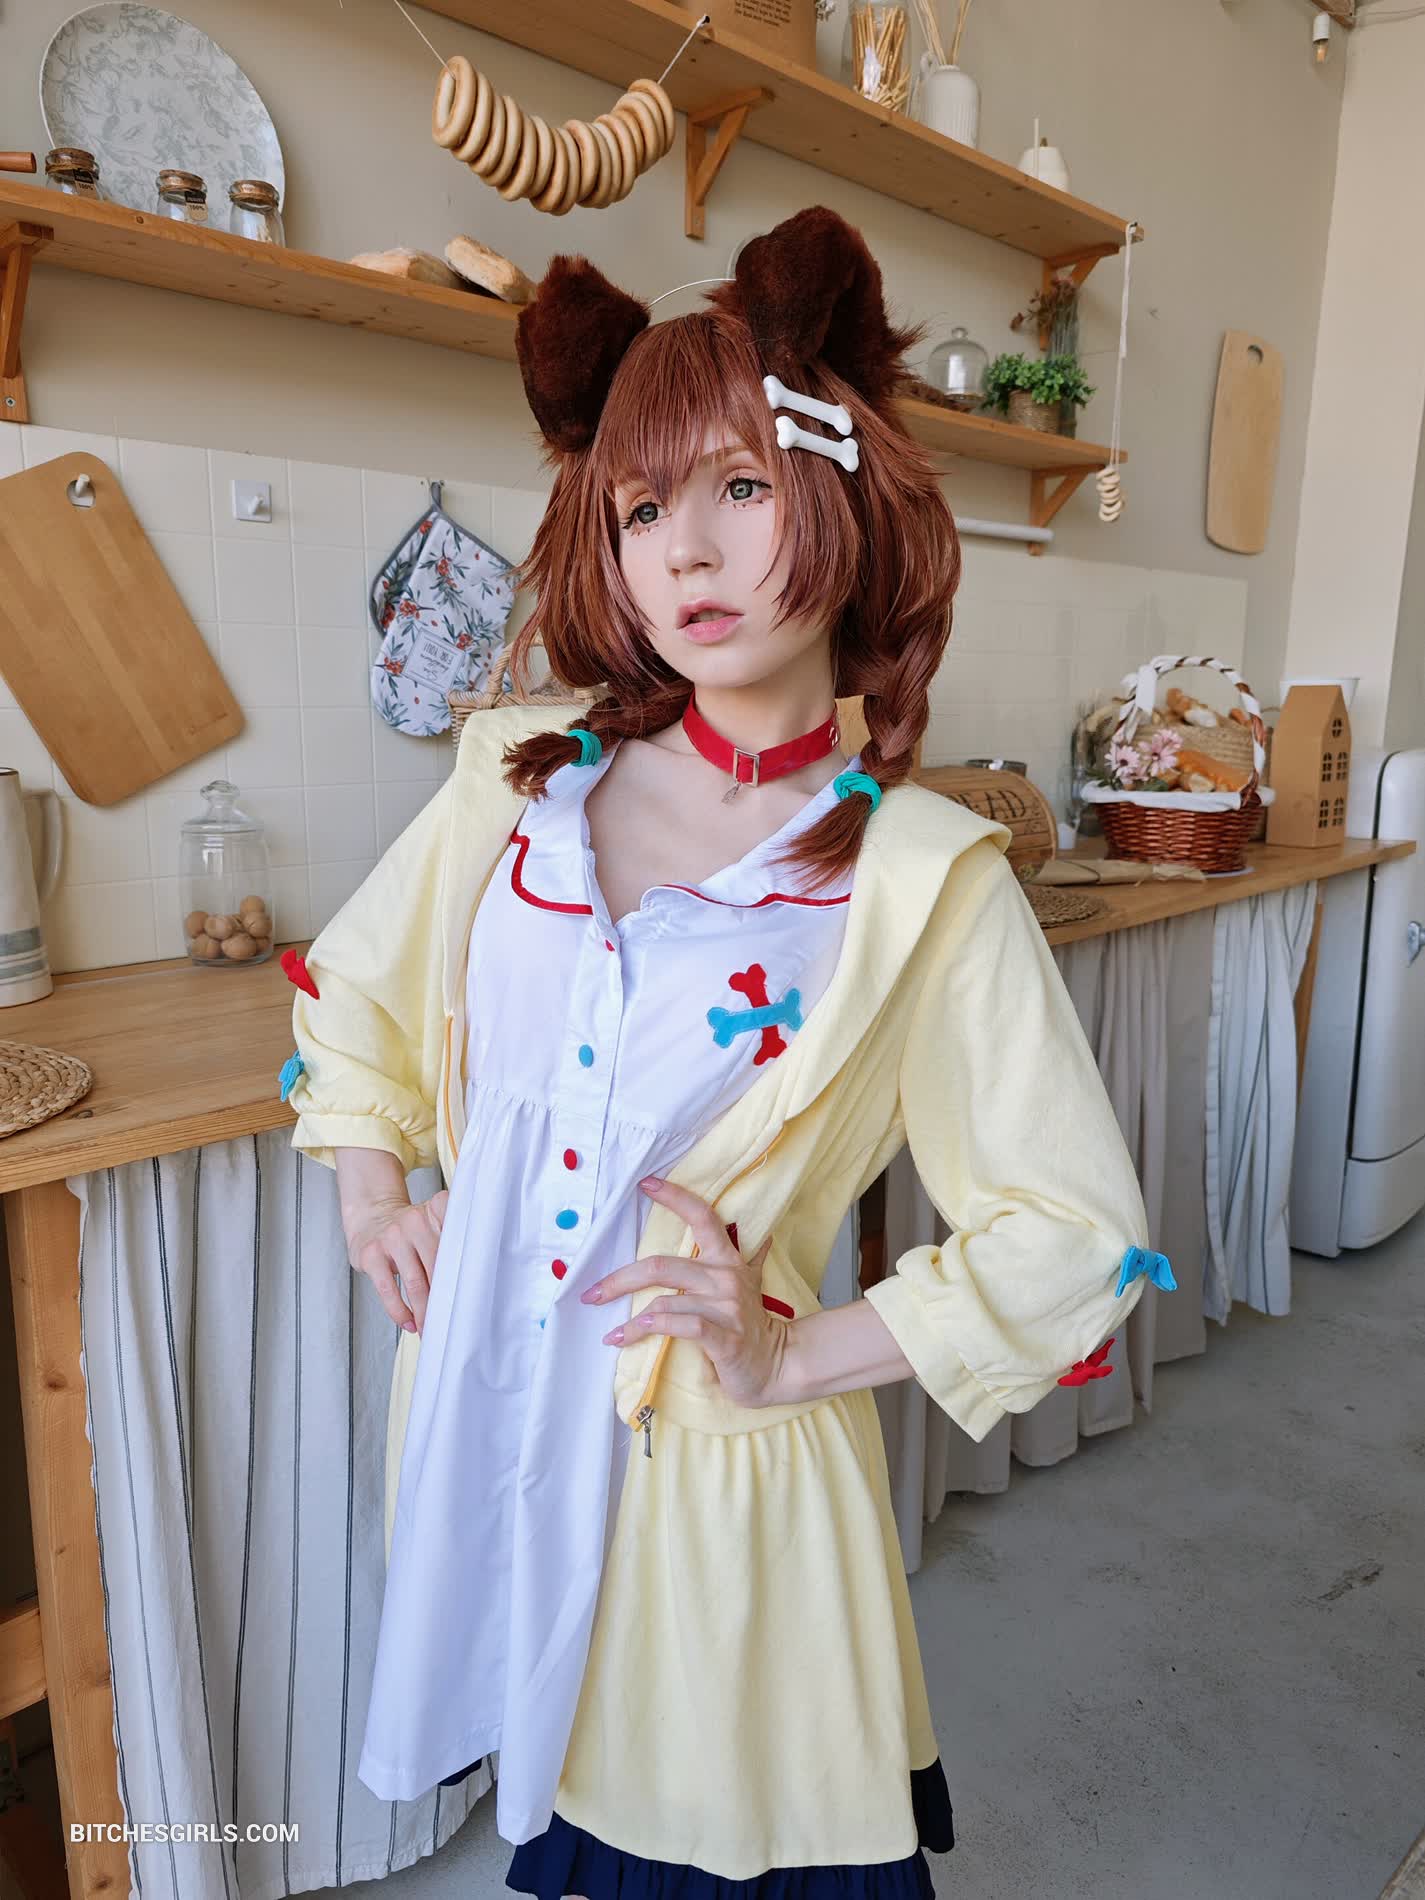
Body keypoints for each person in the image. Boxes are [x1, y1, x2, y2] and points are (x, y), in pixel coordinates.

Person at [282, 204, 1173, 1900]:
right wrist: (371, 1190)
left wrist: (791, 1355)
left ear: (842, 495)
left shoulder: (917, 880)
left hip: (710, 1480)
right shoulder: (523, 778)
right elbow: (356, 989)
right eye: (639, 508)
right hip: (481, 1423)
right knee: (550, 1809)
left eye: (739, 488)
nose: (683, 552)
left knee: (698, 1842)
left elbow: (1071, 1234)